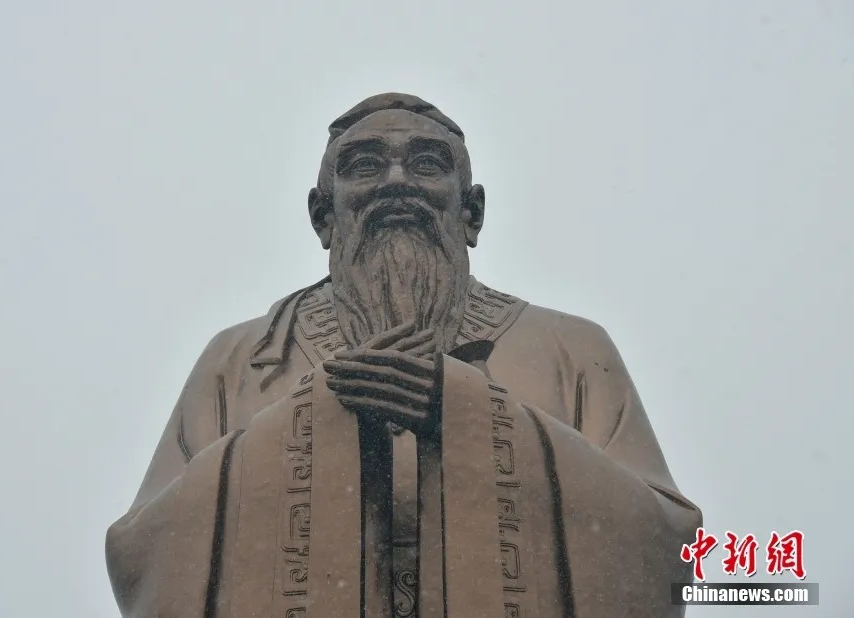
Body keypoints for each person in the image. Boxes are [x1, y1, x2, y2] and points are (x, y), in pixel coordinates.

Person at [106, 93, 701, 618]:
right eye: (365, 166)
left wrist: (464, 409)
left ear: (471, 212)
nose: (398, 182)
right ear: (323, 215)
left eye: (426, 164)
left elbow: (664, 543)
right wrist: (318, 417)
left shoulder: (572, 350)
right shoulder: (241, 359)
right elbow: (144, 556)